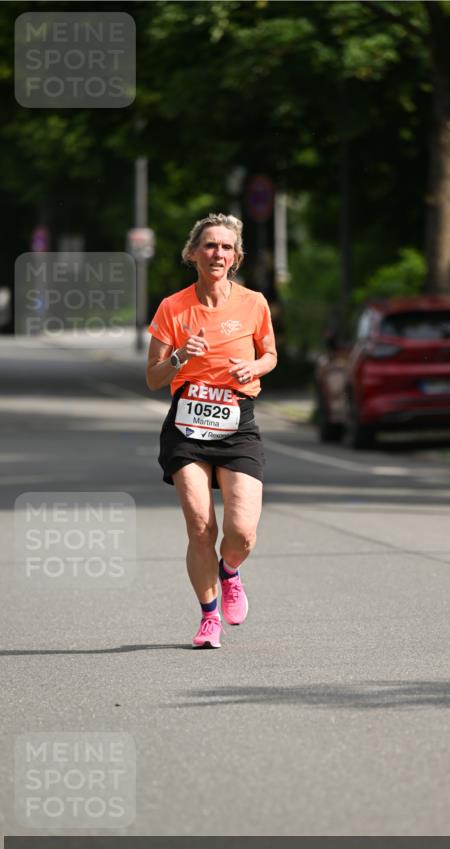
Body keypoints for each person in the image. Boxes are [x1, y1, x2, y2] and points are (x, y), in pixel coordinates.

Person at [146, 214, 277, 647]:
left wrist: (253, 366)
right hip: (187, 425)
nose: (216, 253)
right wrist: (181, 356)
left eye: (225, 247)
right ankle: (208, 617)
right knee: (201, 526)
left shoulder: (254, 303)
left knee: (241, 533)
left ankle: (230, 571)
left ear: (235, 257)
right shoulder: (173, 307)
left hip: (238, 422)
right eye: (208, 246)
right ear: (193, 254)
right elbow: (153, 377)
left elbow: (270, 355)